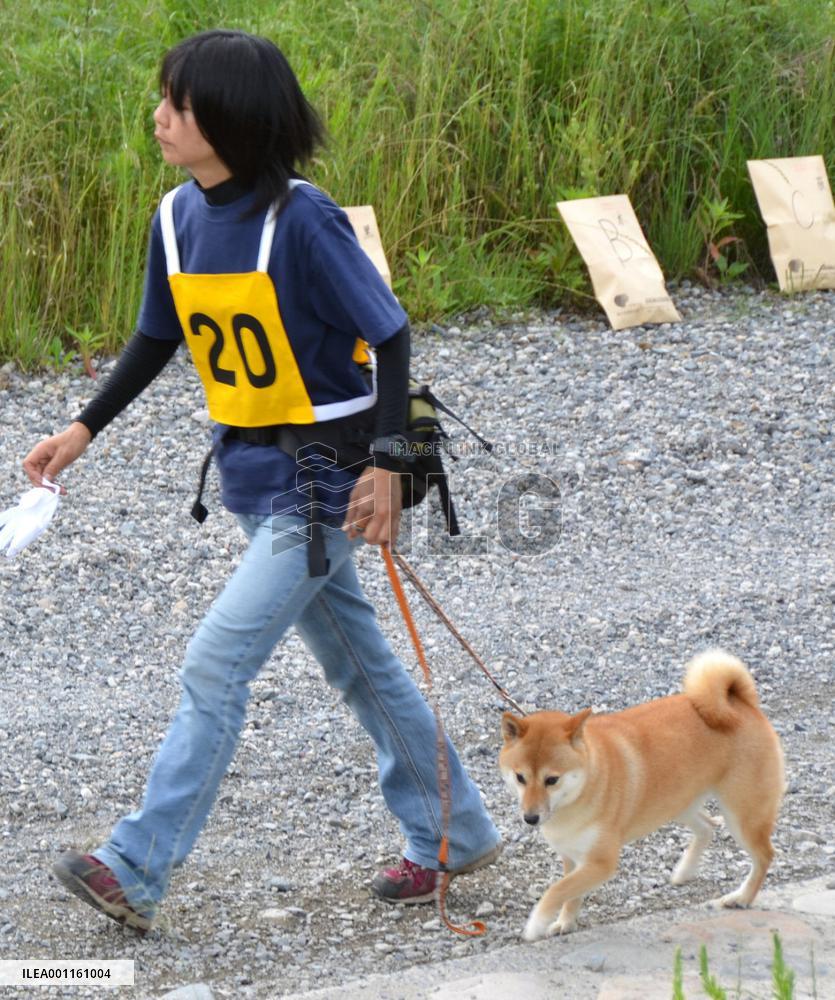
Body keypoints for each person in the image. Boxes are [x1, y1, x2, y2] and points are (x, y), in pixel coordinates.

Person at [23, 29, 500, 933]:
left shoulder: (304, 220)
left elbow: (389, 334)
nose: (160, 117)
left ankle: (133, 865)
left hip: (322, 482)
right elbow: (158, 337)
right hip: (249, 475)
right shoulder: (175, 216)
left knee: (215, 664)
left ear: (232, 122)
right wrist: (83, 427)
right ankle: (454, 830)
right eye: (165, 99)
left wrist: (391, 472)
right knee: (358, 661)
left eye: (180, 104)